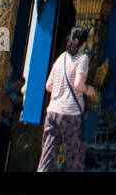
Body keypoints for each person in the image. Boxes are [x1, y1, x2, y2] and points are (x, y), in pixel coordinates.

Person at [37, 27, 95, 173]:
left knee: (47, 155)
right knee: (74, 158)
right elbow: (78, 85)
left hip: (52, 111)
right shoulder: (82, 59)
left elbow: (48, 85)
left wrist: (60, 89)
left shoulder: (61, 58)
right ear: (84, 43)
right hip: (70, 114)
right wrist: (88, 90)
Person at [0, 72, 25, 174]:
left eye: (20, 86)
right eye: (17, 84)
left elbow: (16, 112)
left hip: (6, 125)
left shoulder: (18, 96)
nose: (17, 87)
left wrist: (14, 125)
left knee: (2, 151)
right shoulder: (5, 89)